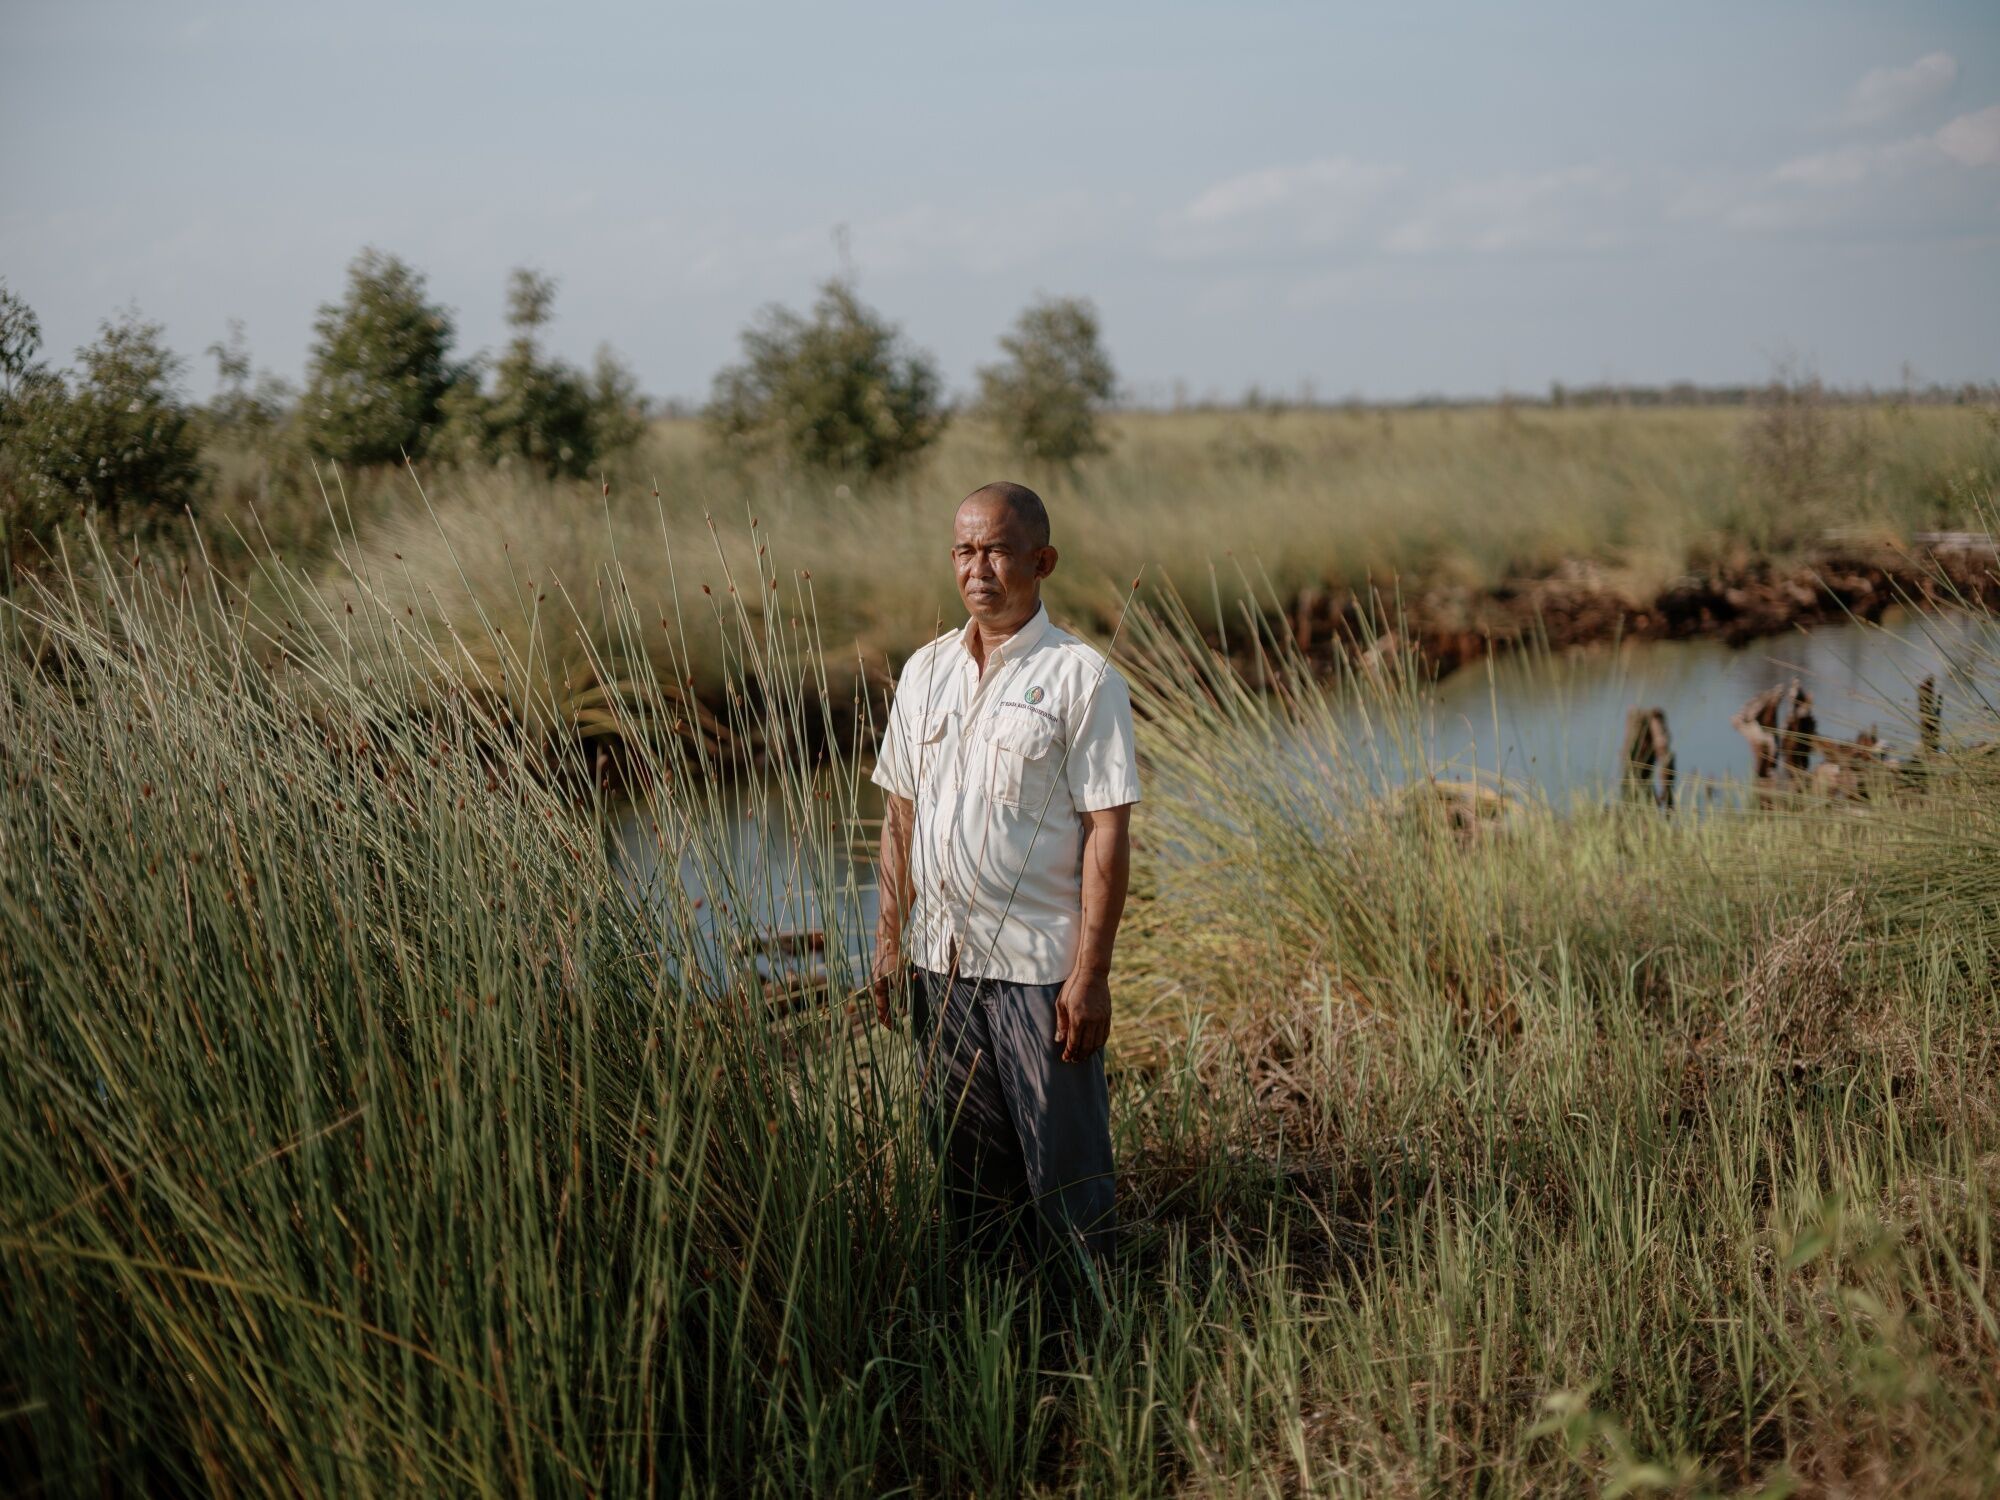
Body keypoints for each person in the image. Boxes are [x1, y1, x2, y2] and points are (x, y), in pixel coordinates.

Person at [868, 481, 1139, 1264]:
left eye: (996, 550)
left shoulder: (1081, 679)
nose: (977, 567)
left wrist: (1091, 975)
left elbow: (1107, 835)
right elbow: (900, 819)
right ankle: (999, 1345)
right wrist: (890, 936)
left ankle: (1091, 1344)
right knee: (968, 1179)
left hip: (1037, 975)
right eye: (963, 550)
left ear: (1041, 560)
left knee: (1065, 1180)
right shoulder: (925, 672)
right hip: (941, 966)